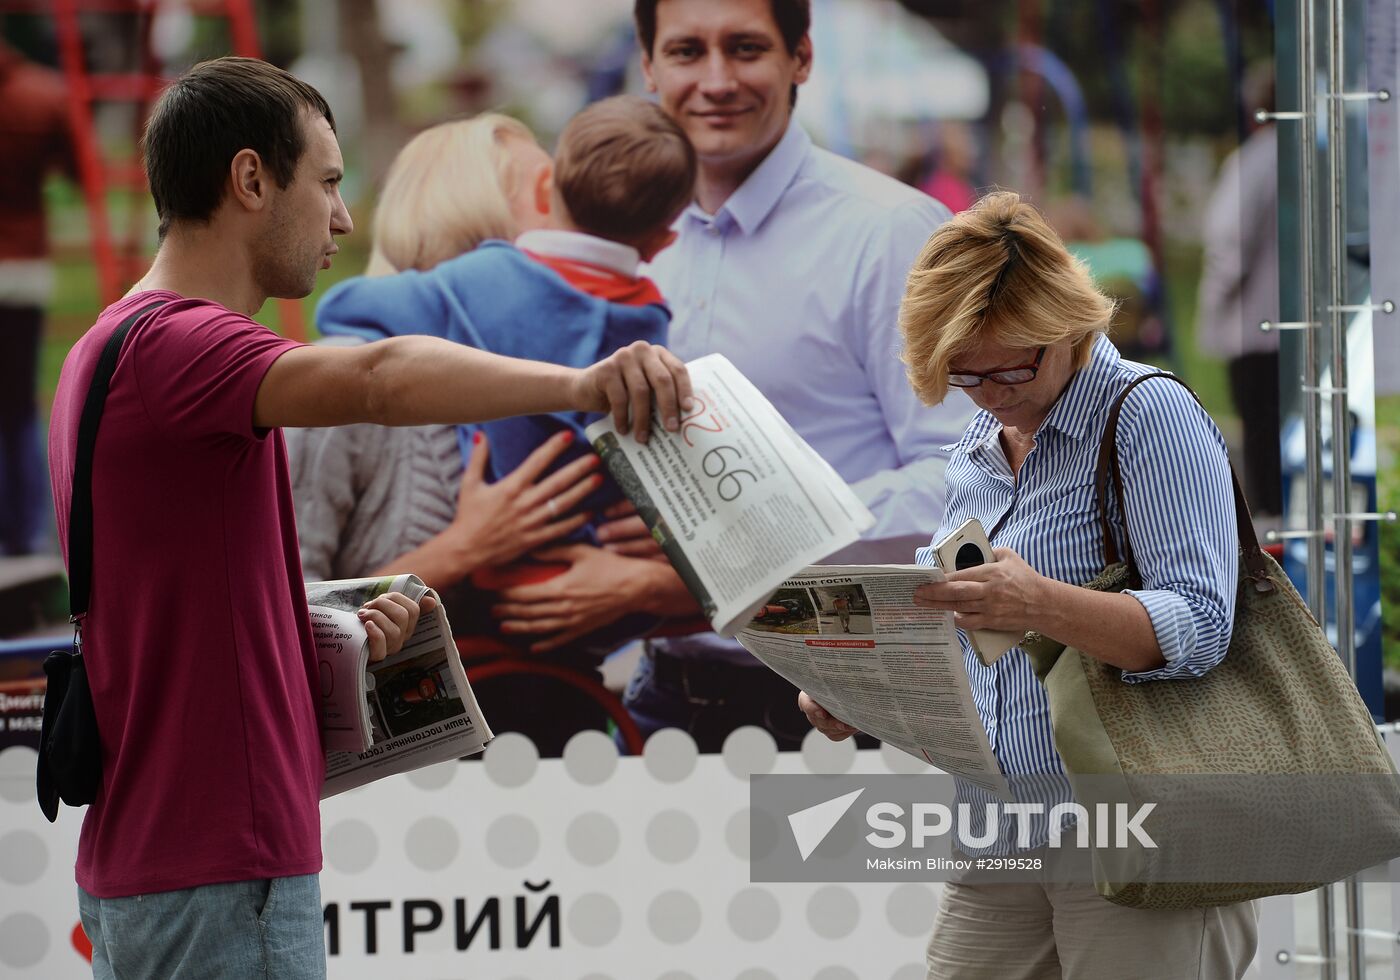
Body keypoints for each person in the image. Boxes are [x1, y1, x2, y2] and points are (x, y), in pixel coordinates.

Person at [48, 57, 689, 979]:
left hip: (164, 858)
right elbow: (376, 378)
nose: (346, 220)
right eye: (332, 182)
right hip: (219, 866)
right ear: (251, 180)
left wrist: (329, 629)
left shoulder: (111, 343)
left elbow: (178, 603)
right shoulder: (183, 344)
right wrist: (582, 383)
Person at [487, 0, 972, 753]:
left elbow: (964, 474)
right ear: (649, 66)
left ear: (800, 58)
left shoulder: (890, 234)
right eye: (687, 52)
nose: (716, 80)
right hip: (661, 696)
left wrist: (733, 554)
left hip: (848, 706)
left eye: (745, 48)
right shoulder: (613, 240)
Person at [800, 191, 1256, 979]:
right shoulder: (983, 436)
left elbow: (1202, 625)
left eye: (1013, 365)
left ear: (1067, 322)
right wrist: (858, 680)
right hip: (1000, 825)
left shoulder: (1148, 415)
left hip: (1136, 825)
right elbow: (975, 625)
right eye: (965, 375)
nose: (992, 390)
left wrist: (1040, 603)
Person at [294, 98, 700, 753]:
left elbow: (724, 584)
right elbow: (281, 626)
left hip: (554, 725)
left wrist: (645, 571)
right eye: (550, 189)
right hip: (392, 757)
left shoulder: (596, 362)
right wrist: (462, 550)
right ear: (480, 219)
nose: (579, 203)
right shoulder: (338, 390)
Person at [0, 39, 75, 554]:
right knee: (19, 401)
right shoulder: (41, 93)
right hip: (22, 263)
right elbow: (76, 167)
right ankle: (27, 531)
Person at [1197, 63, 1280, 516]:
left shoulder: (1253, 162)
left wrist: (1213, 307)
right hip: (1298, 326)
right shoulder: (1315, 157)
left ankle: (1270, 528)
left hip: (1254, 325)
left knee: (1262, 436)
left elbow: (1230, 243)